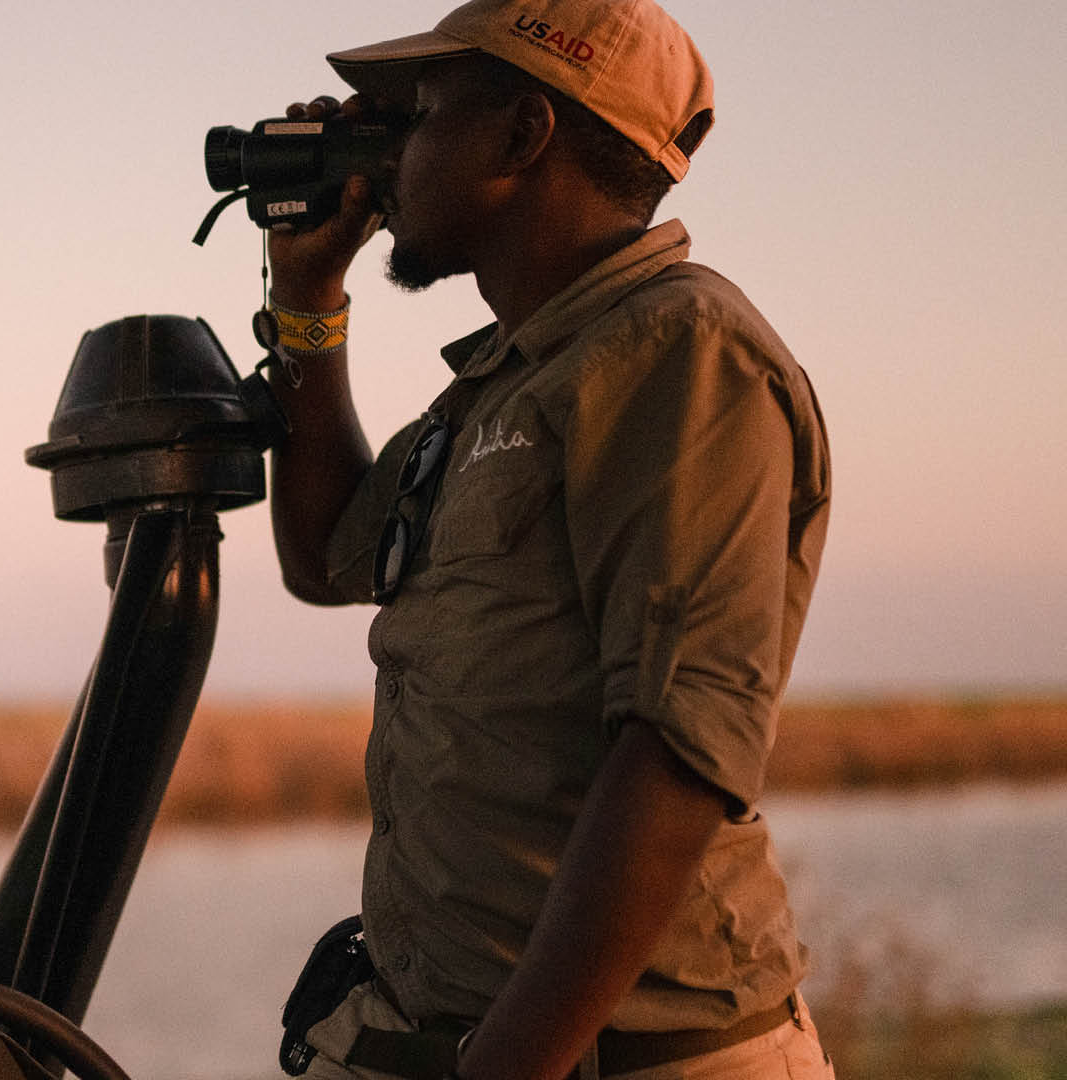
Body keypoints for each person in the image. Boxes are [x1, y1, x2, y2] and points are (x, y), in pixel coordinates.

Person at [258, 1, 833, 1078]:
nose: (389, 160)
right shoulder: (505, 380)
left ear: (524, 136)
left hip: (634, 1058)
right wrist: (307, 297)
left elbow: (676, 744)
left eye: (417, 119)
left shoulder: (677, 348)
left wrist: (511, 1065)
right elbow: (327, 554)